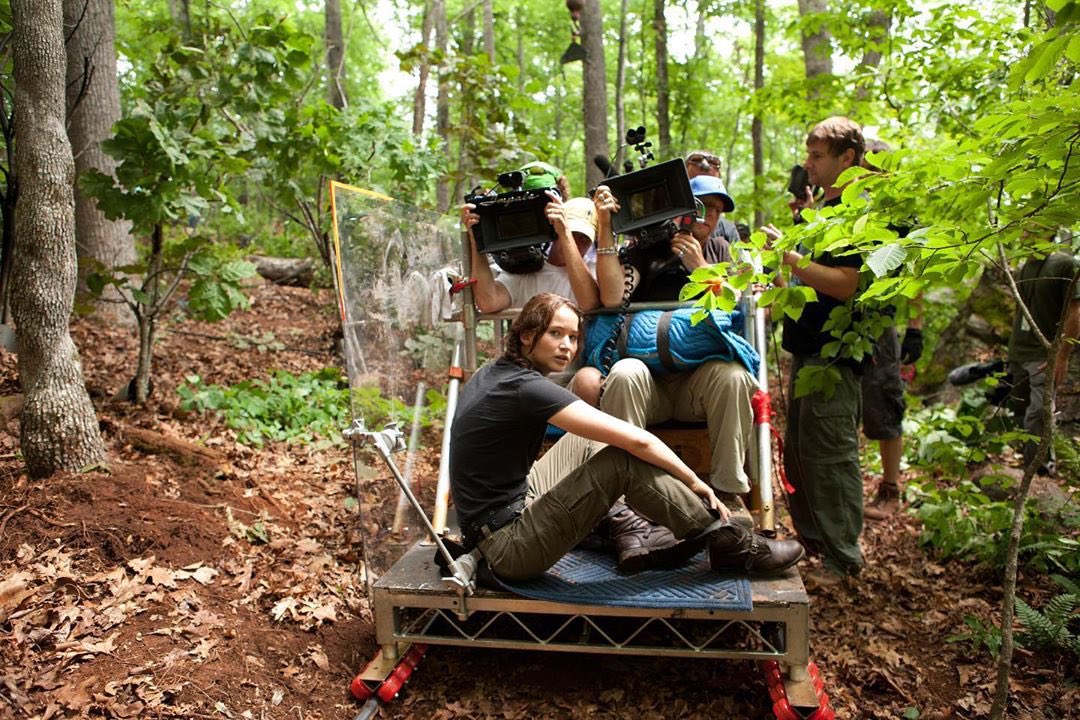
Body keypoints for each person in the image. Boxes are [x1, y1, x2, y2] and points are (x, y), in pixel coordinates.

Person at [449, 292, 804, 581]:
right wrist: (696, 481)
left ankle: (619, 524)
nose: (567, 347)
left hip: (498, 517)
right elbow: (639, 442)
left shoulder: (495, 371)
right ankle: (730, 544)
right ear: (526, 335)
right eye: (555, 333)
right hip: (508, 548)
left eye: (573, 337)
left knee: (593, 435)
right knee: (622, 457)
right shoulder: (526, 387)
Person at [585, 175, 759, 529]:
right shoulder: (638, 253)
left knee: (735, 376)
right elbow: (612, 299)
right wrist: (605, 227)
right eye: (701, 208)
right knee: (624, 371)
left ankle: (728, 492)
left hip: (696, 385)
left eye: (715, 211)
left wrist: (700, 268)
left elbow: (735, 306)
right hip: (648, 387)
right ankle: (625, 500)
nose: (708, 218)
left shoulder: (722, 251)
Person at [760, 116, 866, 587]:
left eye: (818, 156)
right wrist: (779, 267)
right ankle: (816, 546)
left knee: (830, 460)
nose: (809, 165)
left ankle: (844, 561)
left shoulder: (858, 214)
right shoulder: (823, 213)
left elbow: (847, 285)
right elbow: (803, 290)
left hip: (835, 359)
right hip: (807, 354)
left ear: (848, 158)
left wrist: (792, 258)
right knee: (802, 457)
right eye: (809, 155)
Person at [462, 162, 600, 313]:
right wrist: (477, 238)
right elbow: (488, 302)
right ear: (553, 228)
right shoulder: (527, 267)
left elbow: (589, 302)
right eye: (573, 234)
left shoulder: (591, 269)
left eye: (585, 239)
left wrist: (566, 233)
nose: (578, 243)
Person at [1007, 234, 1080, 476]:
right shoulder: (1022, 267)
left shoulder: (1065, 264)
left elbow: (1075, 312)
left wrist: (1061, 356)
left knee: (1038, 414)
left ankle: (1041, 471)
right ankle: (1028, 468)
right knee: (1020, 413)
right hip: (1019, 353)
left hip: (1043, 353)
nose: (1027, 230)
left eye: (1034, 224)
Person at [684, 150, 739, 260]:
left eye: (719, 210)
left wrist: (700, 266)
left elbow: (740, 272)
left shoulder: (721, 247)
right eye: (705, 205)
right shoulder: (664, 234)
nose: (712, 214)